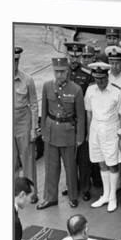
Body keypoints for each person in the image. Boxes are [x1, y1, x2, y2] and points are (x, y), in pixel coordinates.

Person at [37, 57, 85, 210]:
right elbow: (44, 111)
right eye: (56, 72)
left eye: (62, 72)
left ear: (67, 71)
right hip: (51, 131)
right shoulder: (47, 87)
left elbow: (81, 116)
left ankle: (72, 196)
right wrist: (43, 131)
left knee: (70, 167)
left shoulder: (76, 90)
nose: (59, 75)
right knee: (51, 167)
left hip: (68, 132)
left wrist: (80, 137)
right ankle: (50, 197)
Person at [84, 62, 121, 212]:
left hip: (111, 129)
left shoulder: (116, 92)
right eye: (97, 78)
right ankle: (105, 194)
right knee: (101, 162)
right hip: (95, 128)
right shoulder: (90, 90)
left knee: (112, 163)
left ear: (107, 76)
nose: (99, 82)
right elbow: (89, 112)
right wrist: (89, 133)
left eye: (102, 78)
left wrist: (120, 135)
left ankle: (113, 196)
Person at [63, 41, 94, 202]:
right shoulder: (62, 73)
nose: (74, 59)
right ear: (67, 55)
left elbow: (90, 101)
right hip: (66, 122)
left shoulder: (87, 75)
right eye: (71, 56)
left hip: (81, 121)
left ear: (81, 56)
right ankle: (71, 186)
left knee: (83, 158)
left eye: (77, 56)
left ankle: (85, 188)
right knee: (69, 158)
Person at [13, 47, 39, 204]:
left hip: (24, 121)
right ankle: (15, 193)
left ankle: (31, 193)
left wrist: (33, 129)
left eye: (16, 61)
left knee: (28, 160)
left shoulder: (27, 80)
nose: (13, 64)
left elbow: (34, 104)